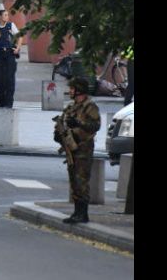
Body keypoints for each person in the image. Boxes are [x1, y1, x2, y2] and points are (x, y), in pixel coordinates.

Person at [54, 77, 101, 224]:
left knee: (81, 181)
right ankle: (76, 212)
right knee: (74, 181)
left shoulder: (90, 106)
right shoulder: (71, 107)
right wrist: (58, 134)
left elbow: (95, 125)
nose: (70, 91)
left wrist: (78, 123)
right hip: (71, 148)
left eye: (72, 89)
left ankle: (83, 213)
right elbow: (63, 122)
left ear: (79, 90)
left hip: (83, 149)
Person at [0, 10, 22, 108]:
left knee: (9, 78)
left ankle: (9, 102)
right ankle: (1, 101)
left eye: (7, 15)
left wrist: (18, 48)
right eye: (5, 15)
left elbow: (20, 37)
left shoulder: (11, 26)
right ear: (0, 17)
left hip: (9, 53)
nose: (7, 17)